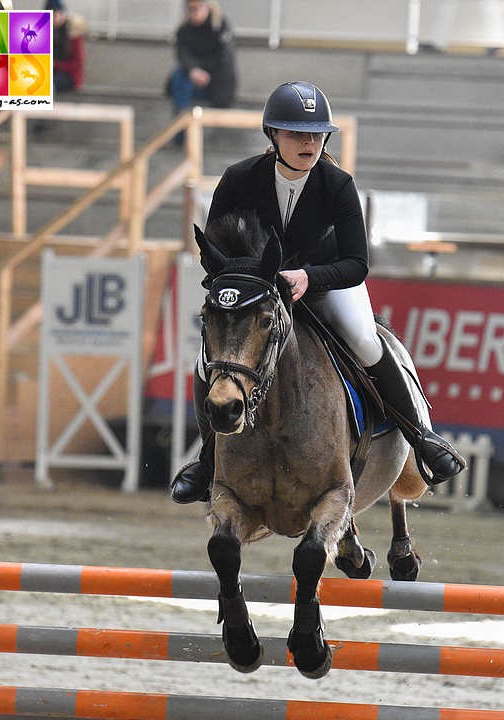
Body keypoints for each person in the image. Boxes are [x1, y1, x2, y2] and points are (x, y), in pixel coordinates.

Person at [171, 81, 465, 504]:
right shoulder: (239, 179)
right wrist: (249, 281)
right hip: (259, 295)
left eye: (315, 134)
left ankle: (422, 439)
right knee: (207, 360)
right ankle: (207, 460)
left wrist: (310, 277)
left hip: (326, 283)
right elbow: (215, 249)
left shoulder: (338, 185)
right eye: (296, 134)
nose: (309, 143)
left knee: (363, 338)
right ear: (273, 136)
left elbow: (357, 263)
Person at [166, 0, 236, 116]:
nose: (195, 13)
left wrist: (199, 70)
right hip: (193, 78)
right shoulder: (185, 29)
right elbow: (182, 53)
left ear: (208, 7)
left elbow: (223, 57)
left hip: (216, 80)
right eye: (191, 10)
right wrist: (193, 70)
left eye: (198, 8)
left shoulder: (219, 27)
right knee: (179, 76)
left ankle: (182, 121)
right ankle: (180, 118)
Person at [44, 0, 85, 93]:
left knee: (50, 85)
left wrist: (54, 64)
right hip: (48, 71)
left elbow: (77, 64)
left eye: (54, 15)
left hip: (67, 75)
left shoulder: (73, 34)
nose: (52, 19)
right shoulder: (45, 32)